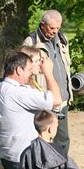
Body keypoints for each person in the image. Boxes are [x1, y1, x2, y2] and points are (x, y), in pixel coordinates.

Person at [23, 9, 72, 152]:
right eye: (52, 28)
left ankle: (61, 167)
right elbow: (26, 73)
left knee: (63, 138)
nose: (55, 31)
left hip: (61, 98)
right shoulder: (30, 42)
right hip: (43, 99)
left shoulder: (63, 40)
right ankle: (42, 166)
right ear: (42, 25)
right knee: (42, 137)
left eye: (58, 27)